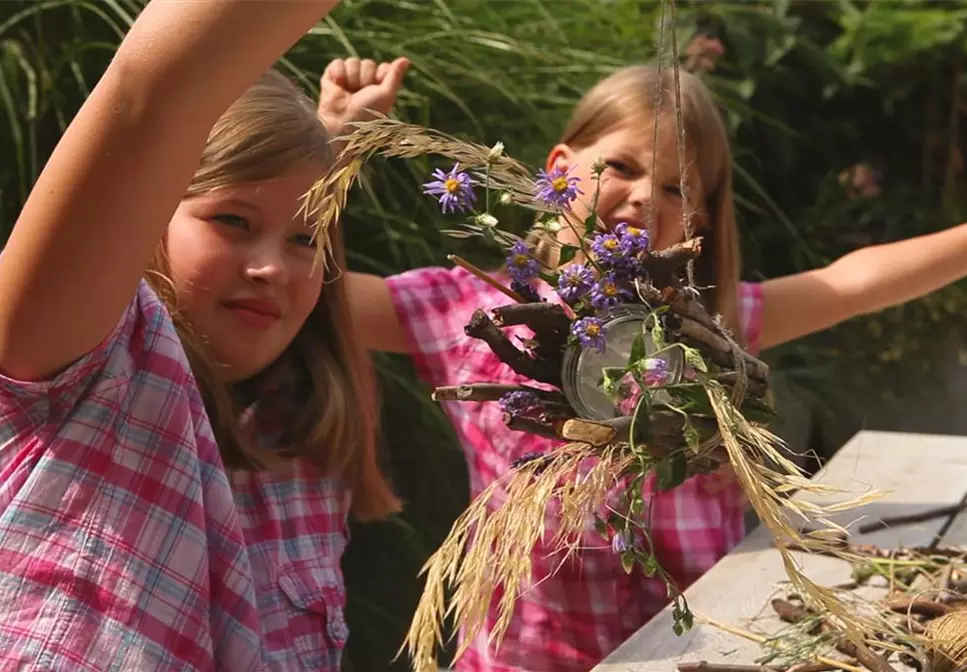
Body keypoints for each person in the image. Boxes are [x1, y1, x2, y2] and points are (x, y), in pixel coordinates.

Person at [320, 57, 967, 670]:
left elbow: (850, 283)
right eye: (621, 167)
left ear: (698, 218)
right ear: (559, 166)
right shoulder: (469, 308)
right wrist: (333, 145)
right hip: (521, 660)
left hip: (699, 646)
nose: (639, 198)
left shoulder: (708, 329)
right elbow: (313, 291)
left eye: (672, 188)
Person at [0, 2, 405, 669]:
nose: (273, 266)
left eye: (305, 241)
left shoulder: (302, 434)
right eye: (232, 221)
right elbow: (151, 91)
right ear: (146, 215)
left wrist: (327, 143)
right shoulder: (82, 369)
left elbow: (292, 211)